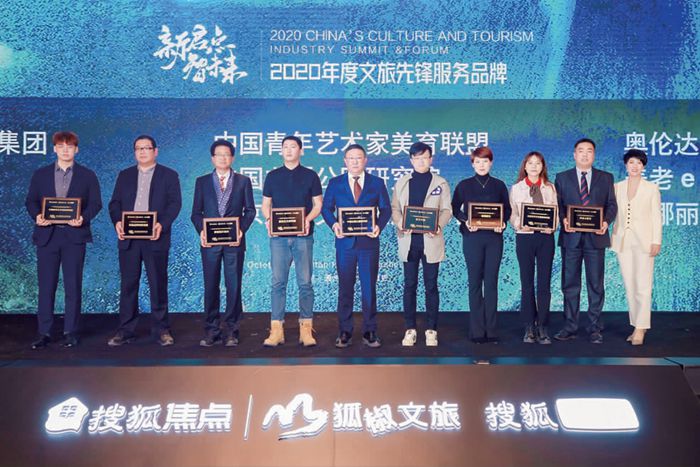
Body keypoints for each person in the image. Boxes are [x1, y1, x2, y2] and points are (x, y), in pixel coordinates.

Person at [25, 131, 102, 348]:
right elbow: (31, 201)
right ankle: (44, 332)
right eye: (61, 146)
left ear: (76, 149)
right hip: (47, 236)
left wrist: (82, 218)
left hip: (74, 237)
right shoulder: (40, 174)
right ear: (54, 149)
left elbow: (96, 204)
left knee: (73, 286)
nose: (65, 150)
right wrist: (37, 216)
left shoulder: (87, 175)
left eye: (70, 146)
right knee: (46, 286)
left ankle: (71, 331)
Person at [107, 135, 182, 346]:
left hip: (156, 237)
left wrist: (162, 225)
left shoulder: (169, 175)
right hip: (129, 239)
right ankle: (125, 330)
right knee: (128, 285)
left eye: (147, 148)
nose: (142, 152)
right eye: (138, 148)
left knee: (158, 284)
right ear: (135, 152)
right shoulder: (125, 175)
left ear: (155, 151)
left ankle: (161, 330)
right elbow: (114, 204)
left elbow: (174, 204)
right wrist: (117, 222)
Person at [322, 144, 391, 348]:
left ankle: (370, 331)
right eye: (351, 158)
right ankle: (345, 331)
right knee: (345, 288)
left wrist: (379, 226)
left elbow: (386, 209)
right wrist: (334, 225)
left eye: (358, 158)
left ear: (365, 160)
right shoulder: (335, 183)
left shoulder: (377, 183)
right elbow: (326, 209)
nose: (354, 161)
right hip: (345, 244)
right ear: (345, 161)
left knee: (369, 288)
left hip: (369, 244)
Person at [191, 140, 256, 347]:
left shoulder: (243, 181)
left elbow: (250, 211)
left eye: (227, 154)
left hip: (234, 243)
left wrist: (241, 229)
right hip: (210, 244)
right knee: (211, 286)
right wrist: (202, 230)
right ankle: (212, 330)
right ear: (212, 158)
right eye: (219, 154)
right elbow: (196, 213)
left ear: (232, 157)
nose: (223, 158)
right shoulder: (202, 182)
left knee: (233, 286)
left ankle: (232, 331)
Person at [261, 135, 323, 347]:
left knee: (305, 283)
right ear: (281, 151)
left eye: (293, 147)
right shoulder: (272, 176)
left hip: (303, 236)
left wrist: (307, 219)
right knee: (278, 283)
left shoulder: (311, 176)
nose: (288, 150)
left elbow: (318, 205)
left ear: (301, 151)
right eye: (285, 147)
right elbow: (266, 205)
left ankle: (306, 329)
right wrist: (269, 220)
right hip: (279, 238)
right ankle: (276, 330)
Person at [554, 138, 617, 344]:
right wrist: (564, 219)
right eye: (581, 151)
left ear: (594, 155)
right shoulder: (562, 177)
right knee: (570, 284)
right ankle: (570, 326)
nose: (585, 154)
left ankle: (594, 327)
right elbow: (558, 204)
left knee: (595, 285)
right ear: (574, 154)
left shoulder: (606, 178)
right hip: (571, 238)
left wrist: (605, 222)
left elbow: (611, 205)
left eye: (589, 151)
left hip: (596, 238)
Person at [391, 142, 452, 347]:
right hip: (409, 241)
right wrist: (400, 222)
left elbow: (447, 210)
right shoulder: (402, 182)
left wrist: (438, 225)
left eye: (424, 157)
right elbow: (395, 208)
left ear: (431, 159)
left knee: (431, 285)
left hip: (431, 241)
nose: (421, 161)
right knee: (409, 285)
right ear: (411, 160)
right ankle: (410, 329)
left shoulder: (440, 183)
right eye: (417, 158)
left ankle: (431, 329)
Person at [451, 146, 511, 343]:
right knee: (475, 282)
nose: (482, 165)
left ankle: (491, 330)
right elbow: (454, 208)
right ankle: (477, 330)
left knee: (491, 283)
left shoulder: (499, 185)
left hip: (494, 238)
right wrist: (465, 220)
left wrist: (502, 223)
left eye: (485, 161)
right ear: (472, 164)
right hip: (472, 238)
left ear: (491, 163)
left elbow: (507, 210)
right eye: (478, 161)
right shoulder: (464, 185)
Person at [611, 149, 662, 346]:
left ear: (643, 166)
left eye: (639, 163)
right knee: (630, 285)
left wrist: (656, 240)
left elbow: (656, 216)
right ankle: (636, 325)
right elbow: (610, 211)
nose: (635, 166)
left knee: (643, 285)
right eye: (631, 162)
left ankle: (641, 327)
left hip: (645, 242)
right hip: (622, 240)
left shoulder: (651, 188)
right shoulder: (617, 187)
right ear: (626, 165)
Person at [509, 151, 557, 344]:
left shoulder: (550, 188)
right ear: (525, 166)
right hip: (525, 238)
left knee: (544, 283)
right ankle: (529, 326)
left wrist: (552, 226)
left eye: (538, 163)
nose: (534, 166)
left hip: (545, 238)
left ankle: (543, 326)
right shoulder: (516, 188)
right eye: (530, 163)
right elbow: (512, 213)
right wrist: (519, 224)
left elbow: (556, 211)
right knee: (527, 282)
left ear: (542, 166)